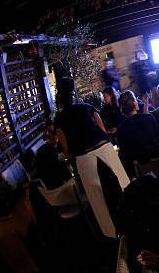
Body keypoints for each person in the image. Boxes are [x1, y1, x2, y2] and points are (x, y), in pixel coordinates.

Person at [54, 91, 130, 238]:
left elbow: (66, 150)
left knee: (97, 197)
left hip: (84, 157)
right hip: (104, 148)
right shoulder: (86, 106)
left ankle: (112, 234)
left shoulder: (59, 119)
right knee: (123, 182)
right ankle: (137, 214)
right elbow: (102, 129)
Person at [116, 90, 159, 176]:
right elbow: (157, 135)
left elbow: (125, 152)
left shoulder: (120, 130)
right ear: (134, 103)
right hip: (158, 162)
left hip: (138, 170)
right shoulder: (148, 117)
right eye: (136, 100)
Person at [36, 121, 71, 190]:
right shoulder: (46, 150)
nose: (56, 135)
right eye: (52, 132)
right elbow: (58, 169)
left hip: (54, 186)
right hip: (59, 187)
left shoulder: (49, 147)